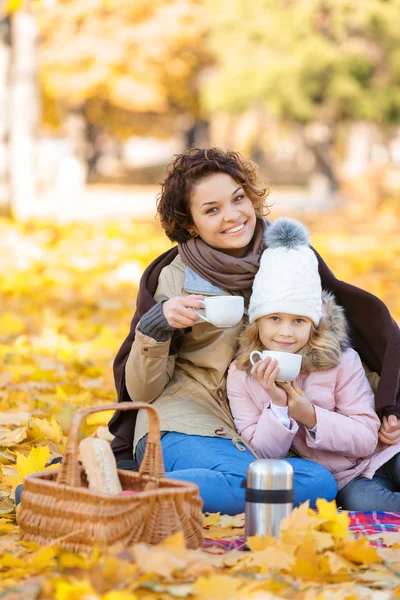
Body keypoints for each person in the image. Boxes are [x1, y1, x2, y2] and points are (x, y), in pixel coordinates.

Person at [110, 146, 400, 514]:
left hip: (262, 429)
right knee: (272, 486)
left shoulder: (287, 256)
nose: (233, 217)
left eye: (237, 199)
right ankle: (122, 498)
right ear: (189, 223)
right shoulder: (175, 277)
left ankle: (151, 493)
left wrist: (390, 410)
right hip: (192, 418)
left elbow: (344, 336)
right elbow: (142, 392)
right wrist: (157, 326)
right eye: (212, 210)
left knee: (318, 482)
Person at [227, 218, 400, 511]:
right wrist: (279, 408)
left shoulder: (341, 361)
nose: (285, 332)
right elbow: (262, 454)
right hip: (347, 480)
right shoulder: (242, 375)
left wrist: (313, 417)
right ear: (257, 322)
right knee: (364, 501)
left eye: (298, 321)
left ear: (314, 325)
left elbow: (367, 437)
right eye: (274, 318)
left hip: (386, 454)